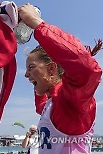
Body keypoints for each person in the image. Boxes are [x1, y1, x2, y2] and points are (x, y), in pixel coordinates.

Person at [18, 3, 102, 154]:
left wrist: (37, 24)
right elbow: (41, 104)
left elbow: (87, 70)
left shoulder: (70, 102)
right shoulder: (51, 104)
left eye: (31, 68)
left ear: (51, 69)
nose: (25, 74)